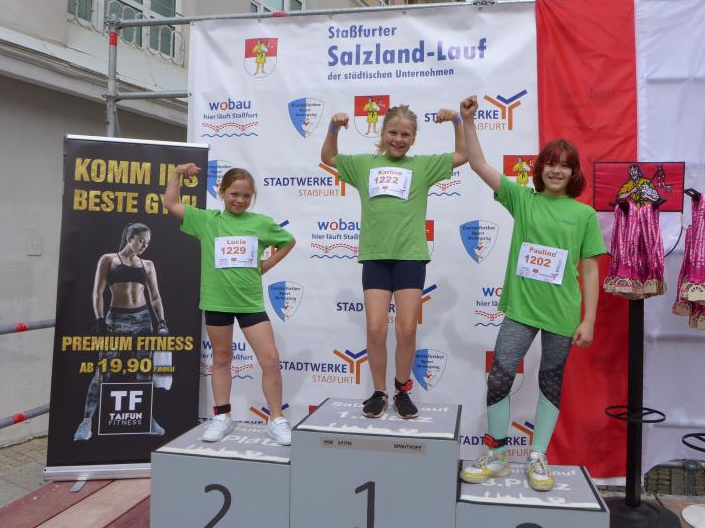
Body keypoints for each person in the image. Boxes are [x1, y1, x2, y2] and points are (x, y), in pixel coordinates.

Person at [457, 96, 606, 491]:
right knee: (499, 378)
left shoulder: (584, 215)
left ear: (573, 172)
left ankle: (538, 455)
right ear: (540, 169)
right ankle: (497, 455)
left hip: (562, 314)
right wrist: (468, 121)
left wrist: (589, 319)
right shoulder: (523, 199)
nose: (557, 170)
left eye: (565, 165)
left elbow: (590, 268)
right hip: (521, 310)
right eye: (551, 163)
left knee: (550, 383)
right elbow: (478, 165)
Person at [321, 104, 467, 419]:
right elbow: (329, 157)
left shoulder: (423, 165)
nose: (398, 139)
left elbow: (462, 155)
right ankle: (379, 391)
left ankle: (402, 389)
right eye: (393, 132)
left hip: (410, 257)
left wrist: (457, 120)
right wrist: (333, 128)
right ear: (382, 132)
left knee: (406, 329)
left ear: (413, 139)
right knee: (375, 329)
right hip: (375, 257)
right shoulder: (364, 164)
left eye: (405, 134)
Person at [164, 165, 296, 444]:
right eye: (234, 194)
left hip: (250, 303)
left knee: (270, 359)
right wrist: (176, 174)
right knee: (222, 358)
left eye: (246, 196)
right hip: (217, 301)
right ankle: (223, 416)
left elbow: (288, 241)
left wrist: (268, 264)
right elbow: (172, 203)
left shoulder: (261, 223)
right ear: (222, 192)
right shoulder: (206, 220)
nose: (240, 200)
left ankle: (276, 419)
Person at [73, 222, 168, 441]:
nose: (144, 245)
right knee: (103, 370)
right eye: (141, 240)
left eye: (147, 242)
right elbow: (97, 292)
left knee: (144, 371)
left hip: (143, 320)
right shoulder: (109, 259)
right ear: (129, 237)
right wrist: (99, 319)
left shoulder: (148, 264)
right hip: (116, 320)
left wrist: (161, 321)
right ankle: (86, 422)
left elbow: (155, 296)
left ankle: (146, 417)